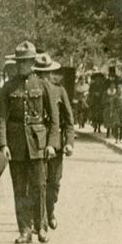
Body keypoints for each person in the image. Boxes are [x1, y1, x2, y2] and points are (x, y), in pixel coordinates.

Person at [0, 41, 60, 244]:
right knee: (19, 188)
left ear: (33, 63)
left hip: (38, 143)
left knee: (40, 186)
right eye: (21, 62)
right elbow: (0, 118)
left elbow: (54, 119)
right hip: (16, 146)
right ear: (16, 64)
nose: (24, 66)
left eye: (28, 62)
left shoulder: (43, 85)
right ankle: (24, 230)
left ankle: (41, 227)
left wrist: (51, 144)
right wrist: (3, 145)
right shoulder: (8, 87)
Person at [36, 54, 75, 230]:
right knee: (38, 182)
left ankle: (50, 210)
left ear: (52, 73)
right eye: (39, 73)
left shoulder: (60, 91)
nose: (44, 77)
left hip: (57, 145)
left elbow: (68, 120)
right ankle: (40, 219)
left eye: (47, 73)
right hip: (36, 143)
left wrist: (69, 143)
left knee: (54, 182)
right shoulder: (31, 90)